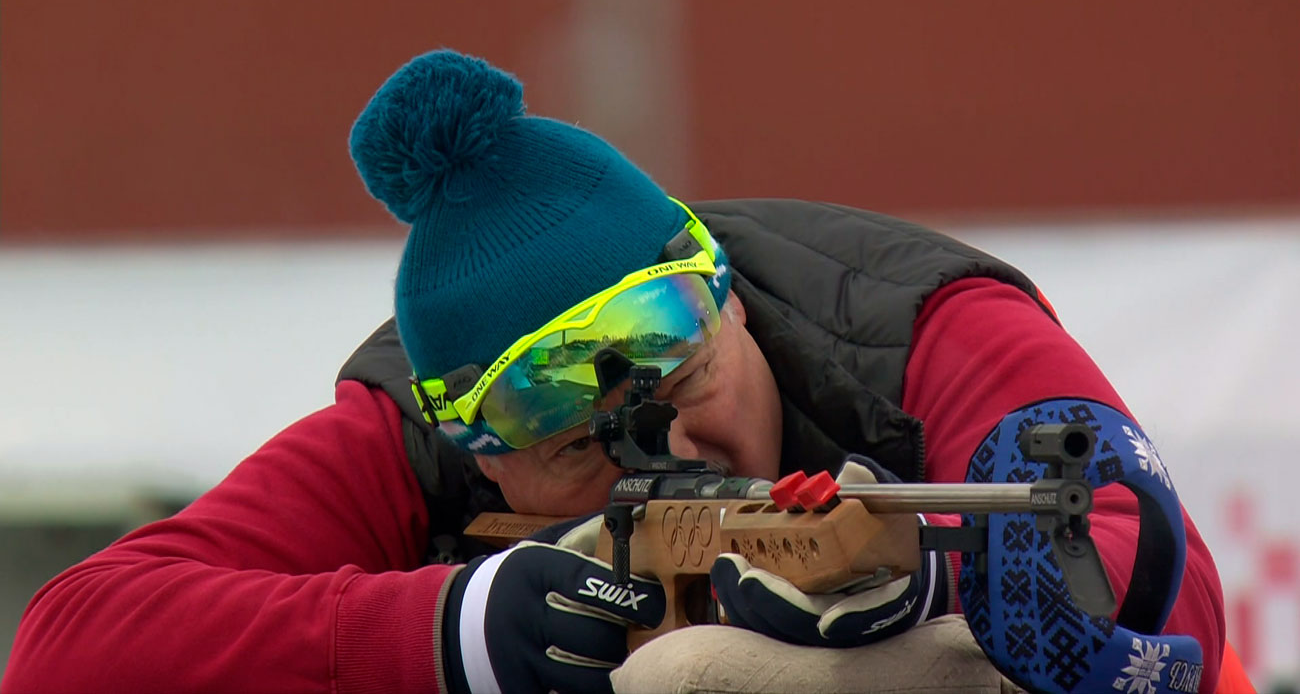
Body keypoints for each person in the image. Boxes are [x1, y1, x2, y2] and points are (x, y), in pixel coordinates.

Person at [3, 50, 1232, 694]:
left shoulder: (909, 321)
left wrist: (937, 590)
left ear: (724, 294)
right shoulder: (400, 433)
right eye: (558, 419)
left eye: (665, 355)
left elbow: (1138, 542)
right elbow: (69, 645)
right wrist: (446, 631)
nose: (666, 445)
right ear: (472, 442)